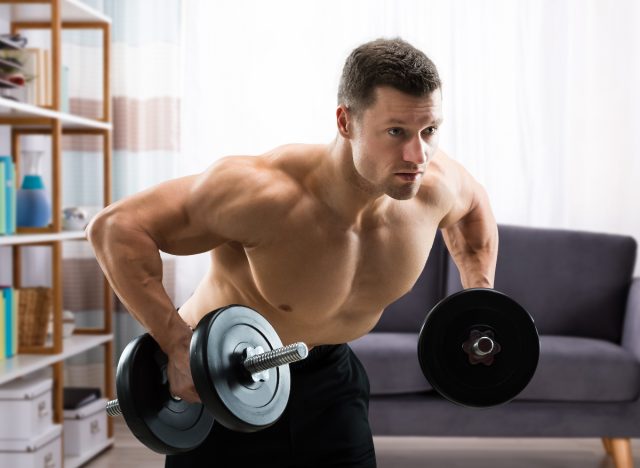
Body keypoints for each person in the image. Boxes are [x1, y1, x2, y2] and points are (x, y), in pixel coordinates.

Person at [88, 37, 498, 468]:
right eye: (396, 132)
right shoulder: (263, 194)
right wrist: (175, 345)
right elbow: (115, 228)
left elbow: (474, 209)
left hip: (331, 382)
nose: (418, 155)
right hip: (224, 382)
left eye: (429, 131)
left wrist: (479, 300)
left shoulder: (434, 185)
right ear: (346, 122)